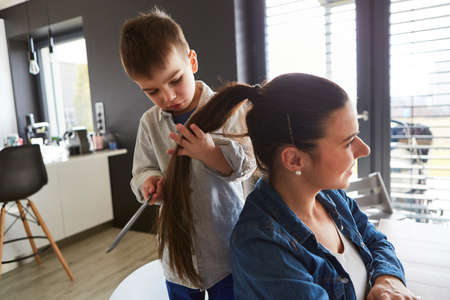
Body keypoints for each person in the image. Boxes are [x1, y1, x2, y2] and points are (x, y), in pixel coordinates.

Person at [179, 73, 419, 299]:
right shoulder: (262, 247)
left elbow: (376, 240)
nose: (364, 149)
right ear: (294, 159)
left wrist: (389, 279)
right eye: (348, 142)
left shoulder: (332, 197)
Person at [119, 8, 255, 300]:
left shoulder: (228, 110)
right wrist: (149, 183)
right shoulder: (149, 123)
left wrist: (209, 152)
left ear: (191, 61)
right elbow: (141, 170)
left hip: (225, 247)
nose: (167, 96)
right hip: (176, 252)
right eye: (152, 91)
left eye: (175, 80)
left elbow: (247, 165)